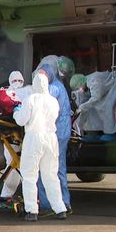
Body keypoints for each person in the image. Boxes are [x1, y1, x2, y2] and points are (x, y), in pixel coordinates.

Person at [13, 73, 67, 221]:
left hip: (34, 137)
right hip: (51, 138)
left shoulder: (30, 99)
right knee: (51, 175)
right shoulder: (53, 101)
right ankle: (60, 208)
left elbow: (22, 120)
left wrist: (16, 112)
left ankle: (32, 211)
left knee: (29, 175)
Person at [36, 63, 72, 214]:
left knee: (49, 169)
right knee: (57, 168)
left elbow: (40, 104)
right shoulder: (58, 86)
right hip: (59, 133)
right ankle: (63, 202)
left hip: (55, 134)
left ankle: (51, 203)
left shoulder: (53, 88)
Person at [70, 71, 116, 141]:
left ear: (81, 83)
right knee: (97, 108)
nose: (80, 89)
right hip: (108, 90)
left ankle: (111, 134)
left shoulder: (94, 81)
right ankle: (95, 132)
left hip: (115, 86)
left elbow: (96, 98)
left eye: (79, 87)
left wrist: (82, 107)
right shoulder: (88, 80)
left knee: (108, 108)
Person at [0, 71, 27, 200]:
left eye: (20, 81)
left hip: (23, 136)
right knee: (12, 165)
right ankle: (6, 195)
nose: (17, 83)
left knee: (22, 167)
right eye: (15, 81)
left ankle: (21, 195)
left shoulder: (27, 93)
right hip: (11, 137)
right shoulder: (5, 94)